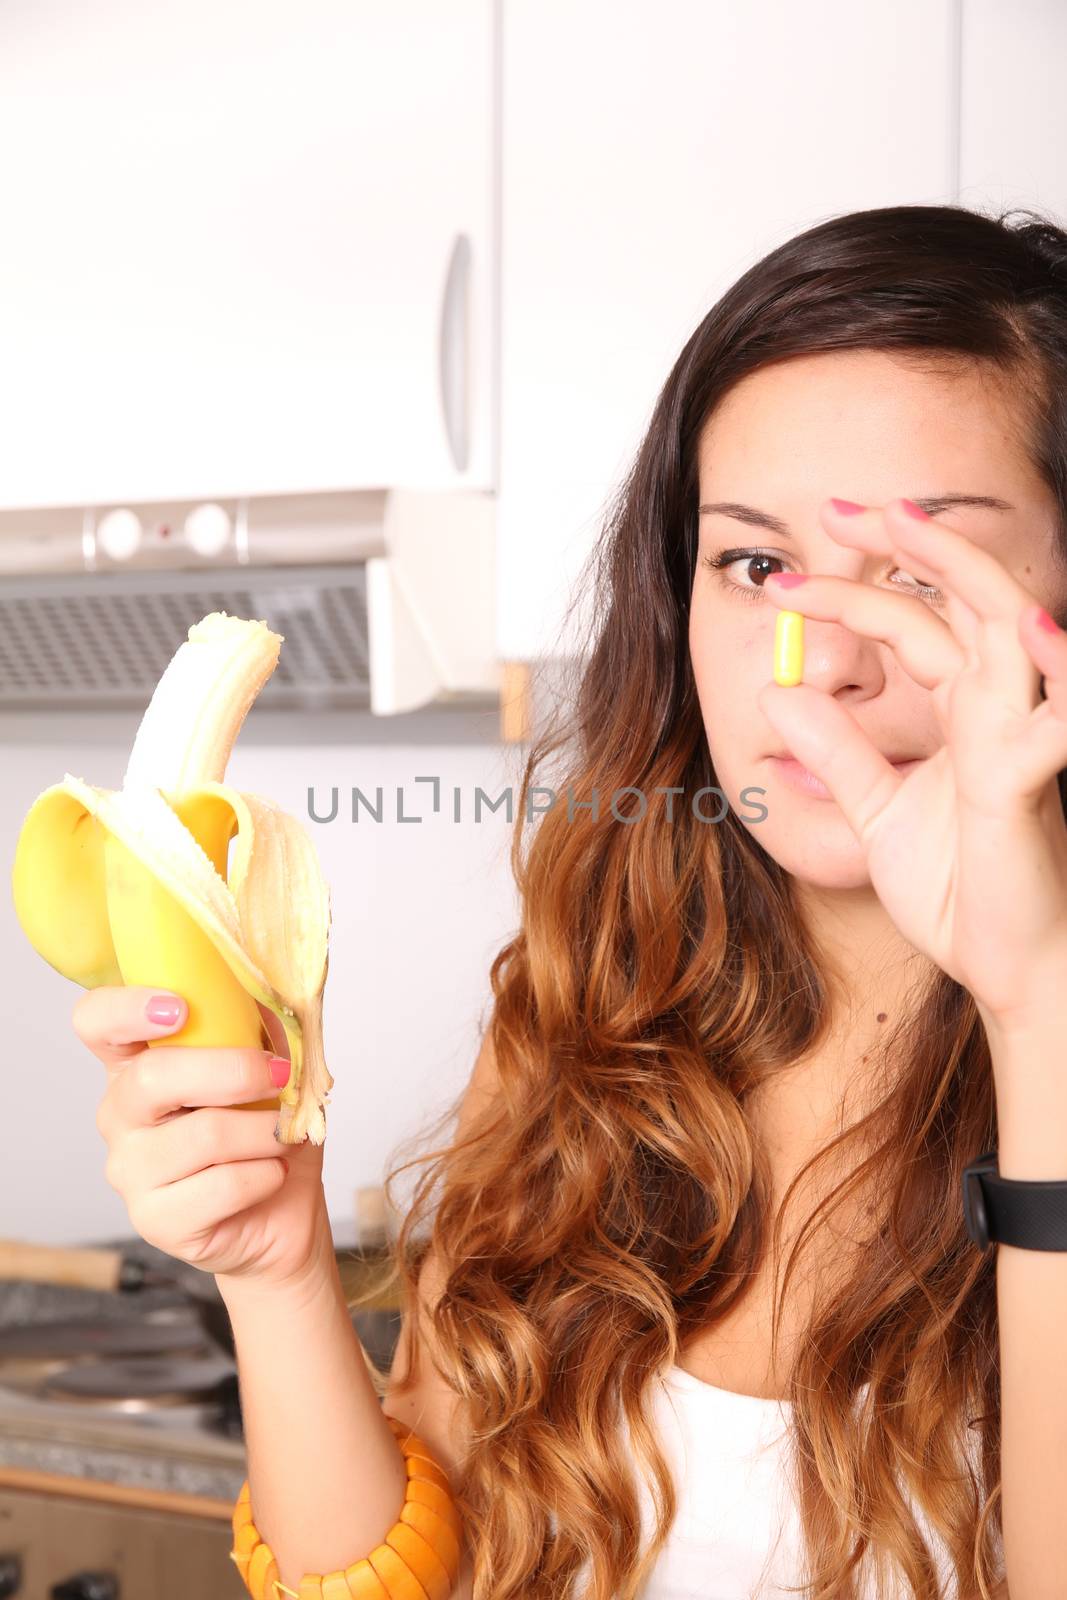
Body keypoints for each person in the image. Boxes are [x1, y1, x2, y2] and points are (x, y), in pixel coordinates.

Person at [75, 200, 1067, 1598]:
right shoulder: (594, 1010)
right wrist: (275, 1267)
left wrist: (1040, 1015)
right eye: (759, 564)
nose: (821, 667)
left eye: (921, 571)